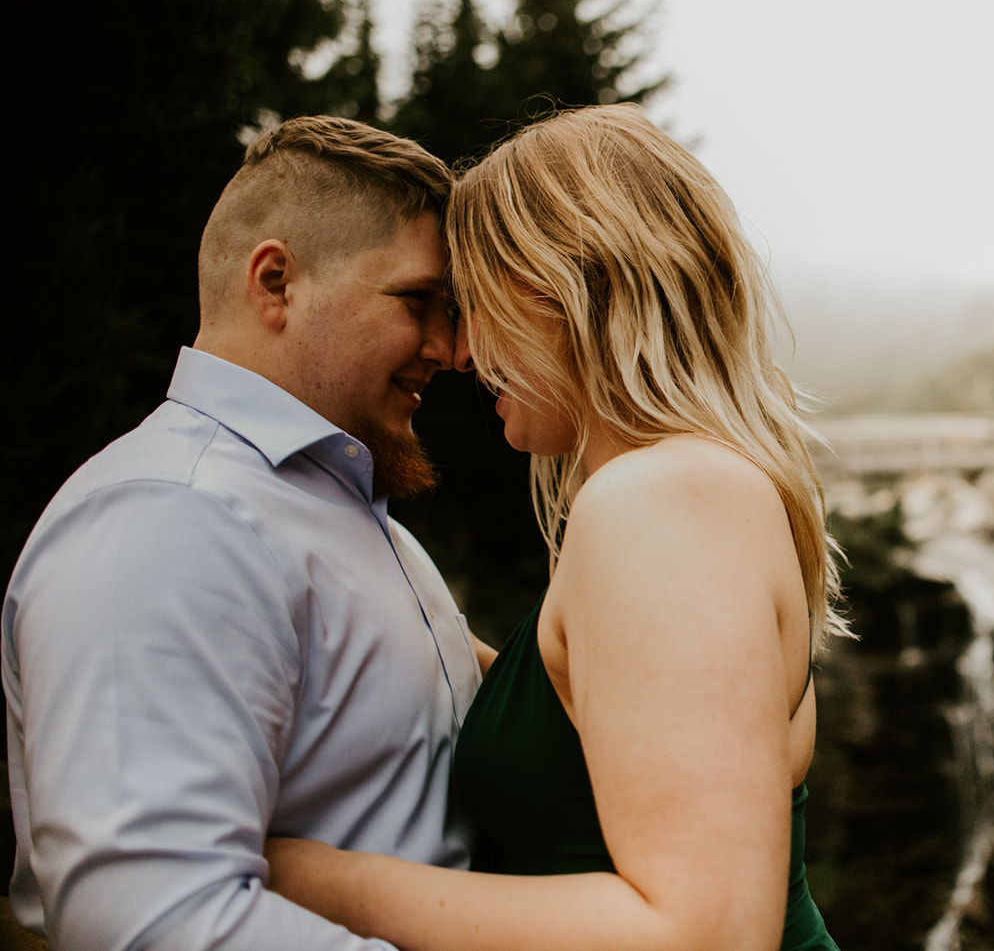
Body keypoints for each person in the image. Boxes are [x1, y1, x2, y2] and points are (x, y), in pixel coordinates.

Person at [265, 104, 849, 950]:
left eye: (475, 300)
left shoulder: (661, 499)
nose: (460, 352)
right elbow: (596, 725)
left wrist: (319, 880)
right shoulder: (695, 489)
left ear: (566, 287)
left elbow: (708, 934)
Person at [2, 116, 485, 949]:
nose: (451, 350)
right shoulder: (171, 518)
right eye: (418, 302)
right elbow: (154, 921)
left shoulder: (353, 520)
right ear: (275, 283)